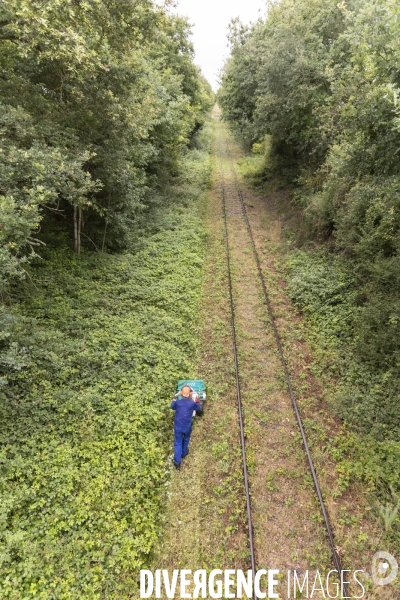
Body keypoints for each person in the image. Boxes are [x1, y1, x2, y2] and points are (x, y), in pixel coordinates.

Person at [170, 385, 202, 469]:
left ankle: (177, 462)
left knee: (178, 442)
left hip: (178, 426)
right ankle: (184, 453)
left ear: (181, 393)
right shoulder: (192, 403)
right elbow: (198, 407)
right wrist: (198, 401)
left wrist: (174, 401)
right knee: (186, 438)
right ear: (190, 394)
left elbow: (172, 407)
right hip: (187, 426)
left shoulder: (177, 402)